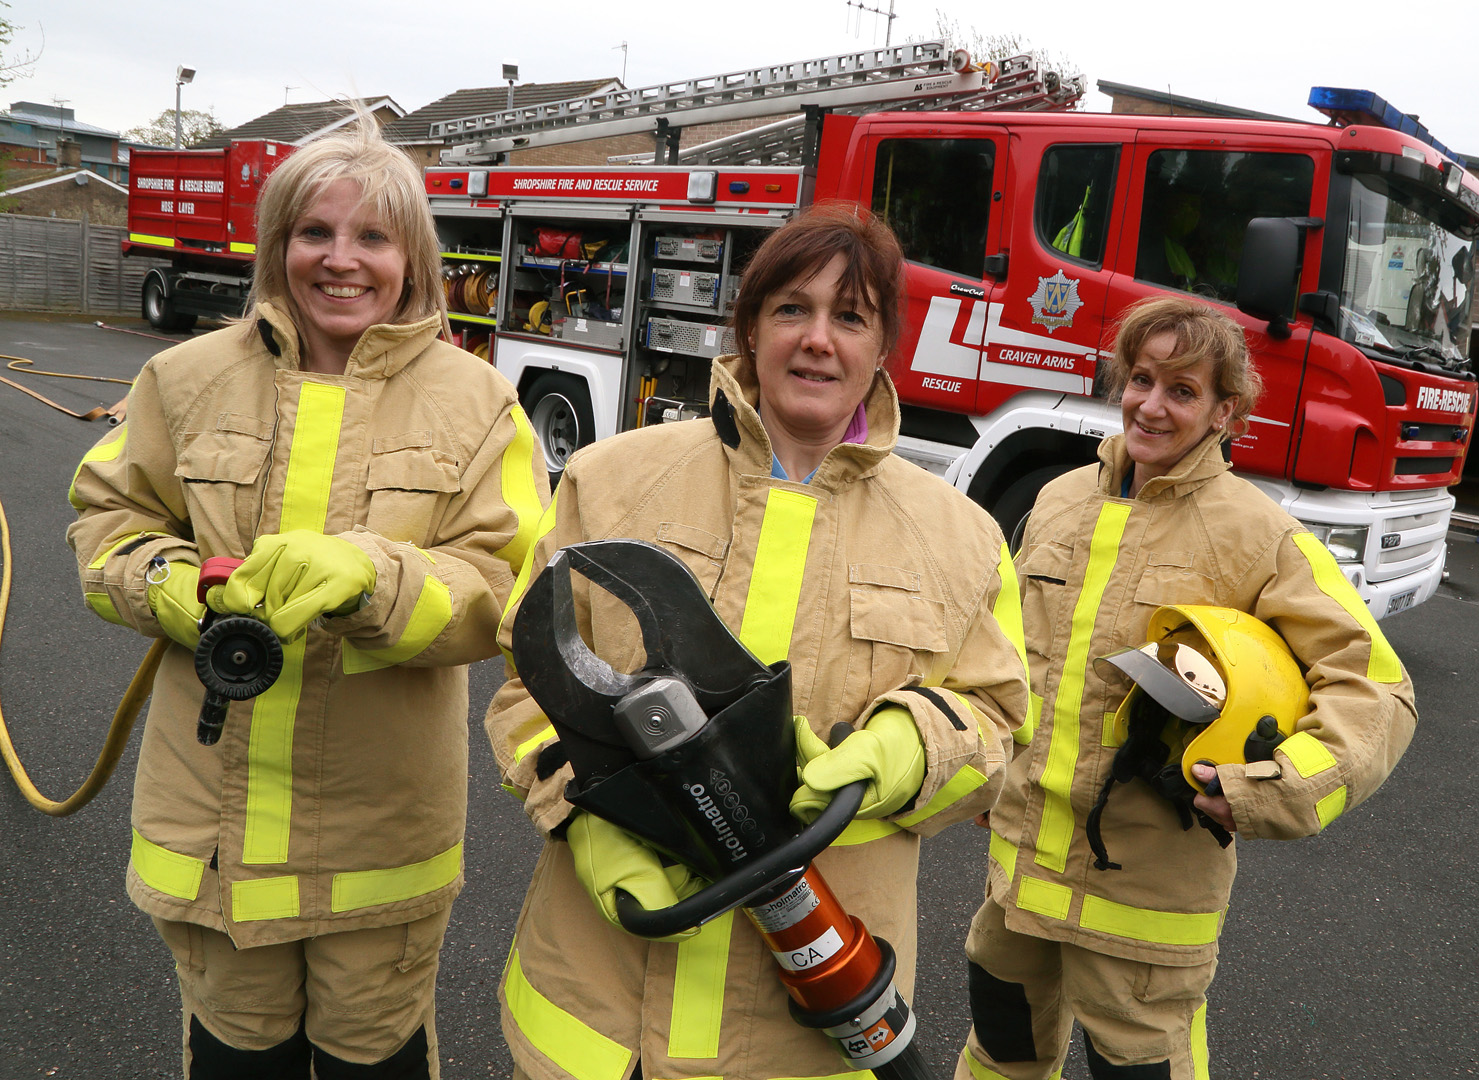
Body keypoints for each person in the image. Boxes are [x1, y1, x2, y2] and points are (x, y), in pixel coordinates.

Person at [485, 204, 1030, 1080]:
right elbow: (526, 680)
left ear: (882, 346)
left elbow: (996, 726)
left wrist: (907, 748)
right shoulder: (613, 478)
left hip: (800, 1030)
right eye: (791, 310)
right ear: (748, 328)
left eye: (849, 317)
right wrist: (582, 812)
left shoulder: (960, 536)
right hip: (597, 1017)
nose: (818, 340)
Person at [66, 119, 549, 1078]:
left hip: (378, 839)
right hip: (211, 831)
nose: (341, 260)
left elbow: (507, 587)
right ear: (275, 242)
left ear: (412, 255)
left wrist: (380, 579)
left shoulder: (479, 401)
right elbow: (105, 523)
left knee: (377, 1056)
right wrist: (171, 585)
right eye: (314, 233)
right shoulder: (184, 378)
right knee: (237, 1053)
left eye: (371, 237)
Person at [956, 295, 1417, 1080]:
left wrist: (1272, 789)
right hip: (1017, 873)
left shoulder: (1255, 532)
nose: (1150, 405)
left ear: (1222, 411)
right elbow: (998, 654)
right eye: (1140, 378)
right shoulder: (1059, 501)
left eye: (1181, 389)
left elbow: (1376, 688)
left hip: (1146, 901)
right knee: (1001, 1050)